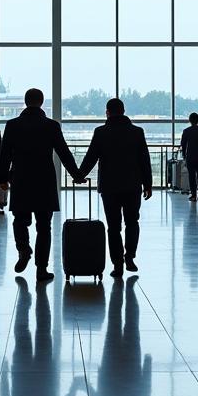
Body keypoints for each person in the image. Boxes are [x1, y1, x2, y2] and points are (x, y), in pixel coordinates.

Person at [0, 88, 81, 283]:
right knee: (44, 227)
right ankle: (41, 269)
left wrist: (2, 178)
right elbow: (64, 152)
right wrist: (76, 175)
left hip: (20, 179)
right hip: (44, 181)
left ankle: (23, 249)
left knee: (20, 219)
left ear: (26, 102)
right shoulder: (51, 126)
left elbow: (4, 155)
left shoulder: (12, 125)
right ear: (41, 102)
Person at [76, 97, 153, 277]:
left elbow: (91, 157)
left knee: (113, 226)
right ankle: (130, 256)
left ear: (107, 112)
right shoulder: (137, 132)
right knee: (132, 222)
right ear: (124, 111)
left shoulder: (101, 132)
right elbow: (145, 160)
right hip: (133, 185)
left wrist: (79, 175)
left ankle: (117, 264)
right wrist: (147, 184)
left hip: (109, 187)